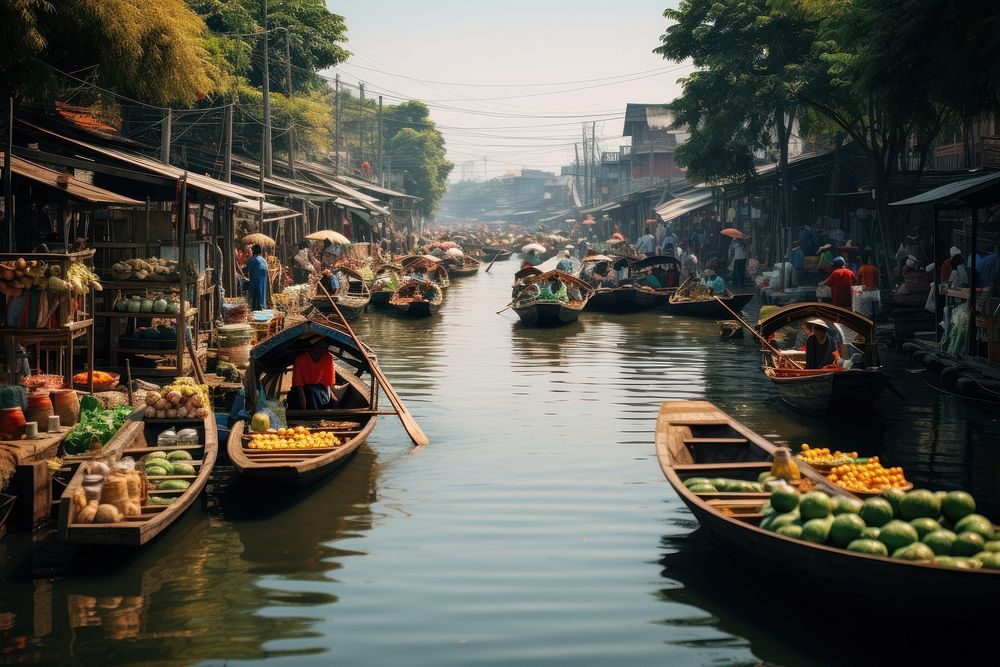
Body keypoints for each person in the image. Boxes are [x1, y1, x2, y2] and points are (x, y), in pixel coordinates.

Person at [289, 339, 346, 410]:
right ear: (314, 347)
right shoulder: (300, 359)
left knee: (332, 402)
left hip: (320, 389)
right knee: (309, 391)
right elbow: (298, 384)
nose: (323, 350)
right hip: (303, 389)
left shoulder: (328, 357)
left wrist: (332, 398)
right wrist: (303, 408)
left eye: (325, 348)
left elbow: (328, 381)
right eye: (320, 347)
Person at [245, 244, 269, 310]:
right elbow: (267, 271)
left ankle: (255, 309)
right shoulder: (264, 260)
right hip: (263, 281)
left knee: (254, 296)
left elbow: (246, 267)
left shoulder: (251, 260)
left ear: (253, 251)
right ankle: (262, 307)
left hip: (254, 281)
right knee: (262, 294)